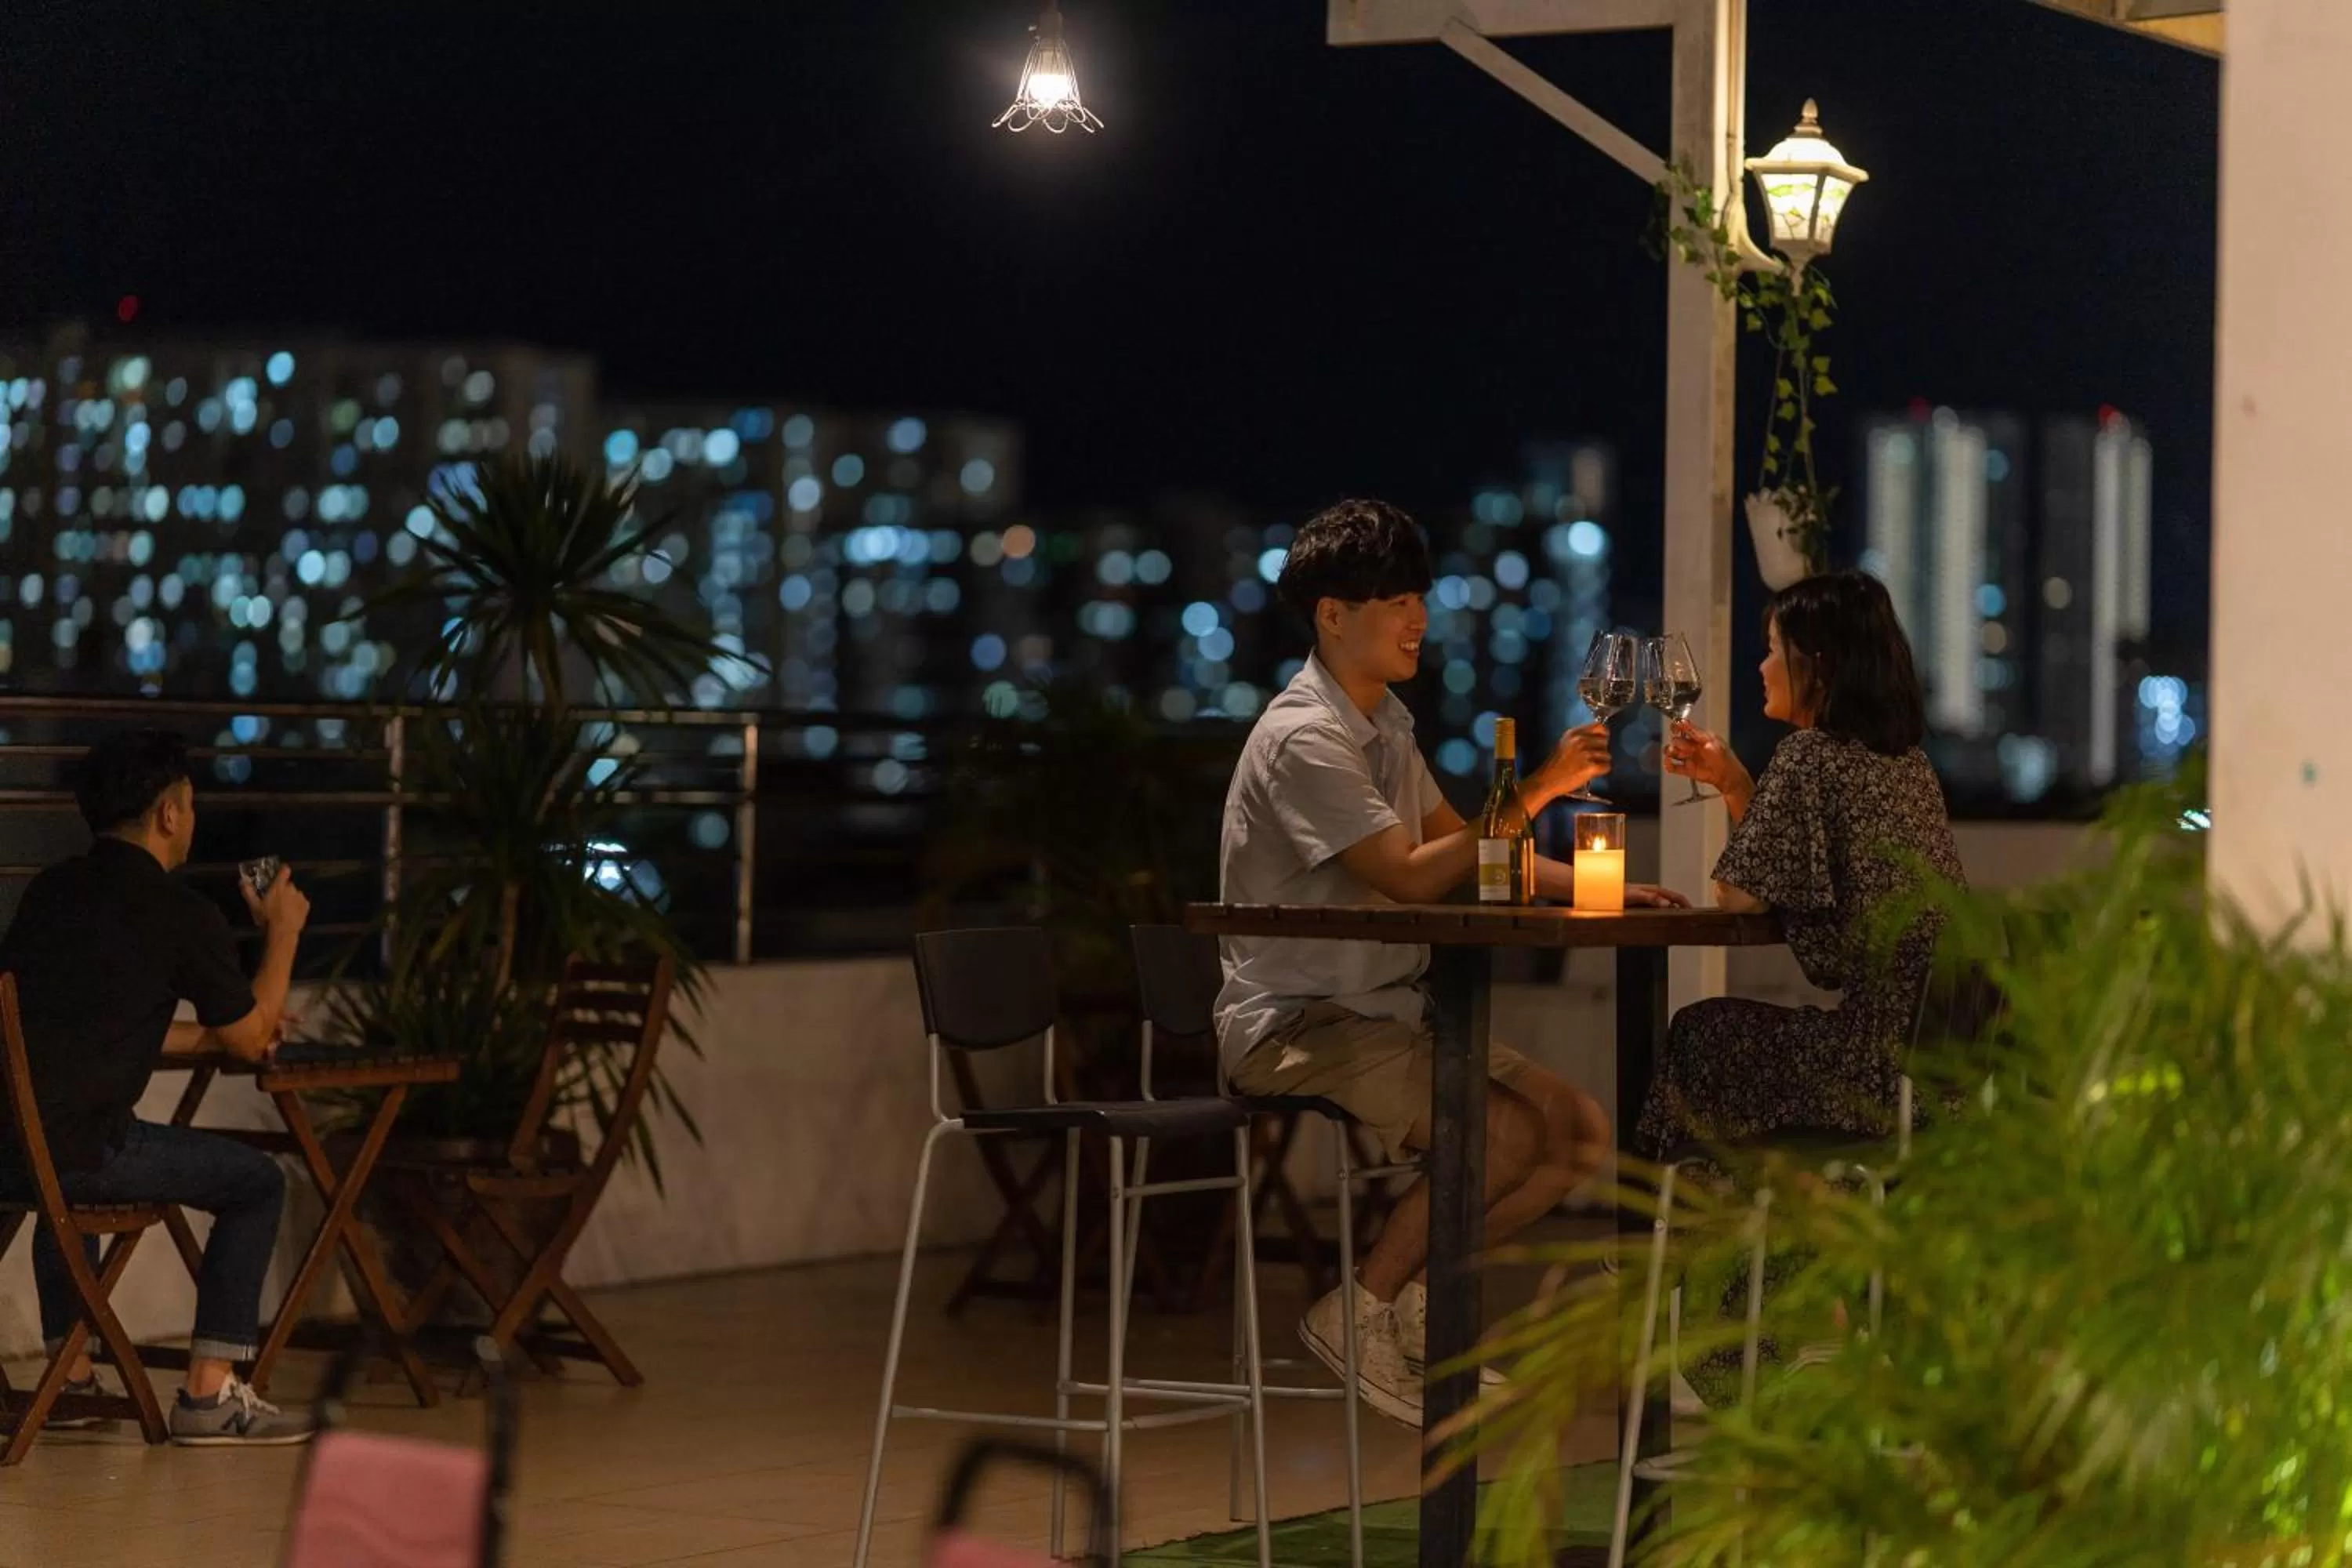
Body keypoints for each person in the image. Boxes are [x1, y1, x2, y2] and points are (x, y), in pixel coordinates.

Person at [1215, 498, 1686, 1425]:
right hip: (1297, 1020)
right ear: (1333, 614)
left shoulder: (1384, 718)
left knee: (1575, 1129)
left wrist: (1591, 890)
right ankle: (1359, 1309)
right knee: (1502, 1130)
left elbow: (1466, 850)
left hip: (1383, 1009)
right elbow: (1409, 876)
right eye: (1396, 599)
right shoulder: (1303, 735)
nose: (1418, 617)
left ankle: (1421, 1296)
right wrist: (1543, 784)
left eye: (1420, 596)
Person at [0, 728, 317, 1445]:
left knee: (62, 1187)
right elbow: (248, 1042)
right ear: (169, 814)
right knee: (258, 1181)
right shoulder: (180, 913)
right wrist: (283, 932)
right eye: (192, 805)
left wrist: (213, 1031)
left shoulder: (51, 892)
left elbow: (65, 1022)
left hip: (9, 1145)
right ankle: (208, 1396)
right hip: (79, 1151)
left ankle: (71, 1376)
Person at [1642, 568, 1965, 1154]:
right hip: (1941, 1074)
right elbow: (1792, 867)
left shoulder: (1809, 755)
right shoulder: (1909, 766)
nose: (1761, 668)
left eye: (1771, 651)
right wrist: (1738, 783)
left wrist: (1741, 792)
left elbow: (1738, 894)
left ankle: (1679, 1232)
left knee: (1700, 1033)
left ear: (1816, 667)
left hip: (1871, 1073)